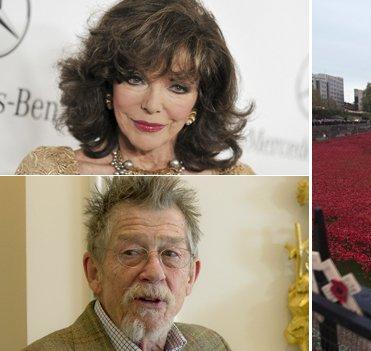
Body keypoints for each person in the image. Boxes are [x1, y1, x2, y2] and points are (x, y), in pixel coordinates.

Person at [16, 0, 253, 175]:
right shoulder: (49, 173)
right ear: (107, 85)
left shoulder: (236, 183)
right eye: (135, 79)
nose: (151, 105)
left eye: (178, 87)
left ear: (200, 102)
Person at [24, 177, 230, 350]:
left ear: (191, 276)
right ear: (94, 272)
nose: (154, 272)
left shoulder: (211, 344)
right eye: (131, 252)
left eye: (170, 254)